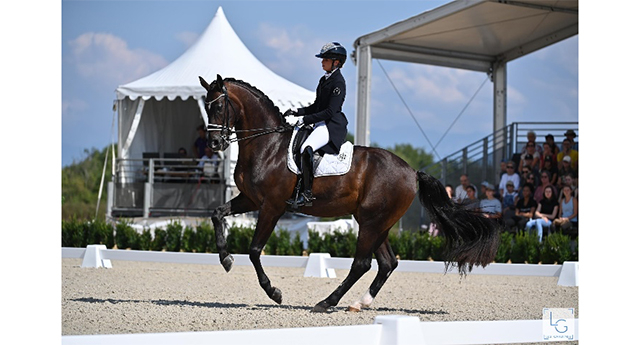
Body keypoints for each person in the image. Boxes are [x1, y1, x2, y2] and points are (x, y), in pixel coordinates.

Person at [283, 42, 349, 207]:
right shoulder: (323, 80)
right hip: (320, 122)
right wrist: (297, 112)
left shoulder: (338, 83)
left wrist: (305, 120)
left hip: (330, 125)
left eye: (325, 59)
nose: (322, 62)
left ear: (336, 62)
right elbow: (316, 106)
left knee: (307, 148)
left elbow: (329, 112)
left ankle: (306, 194)